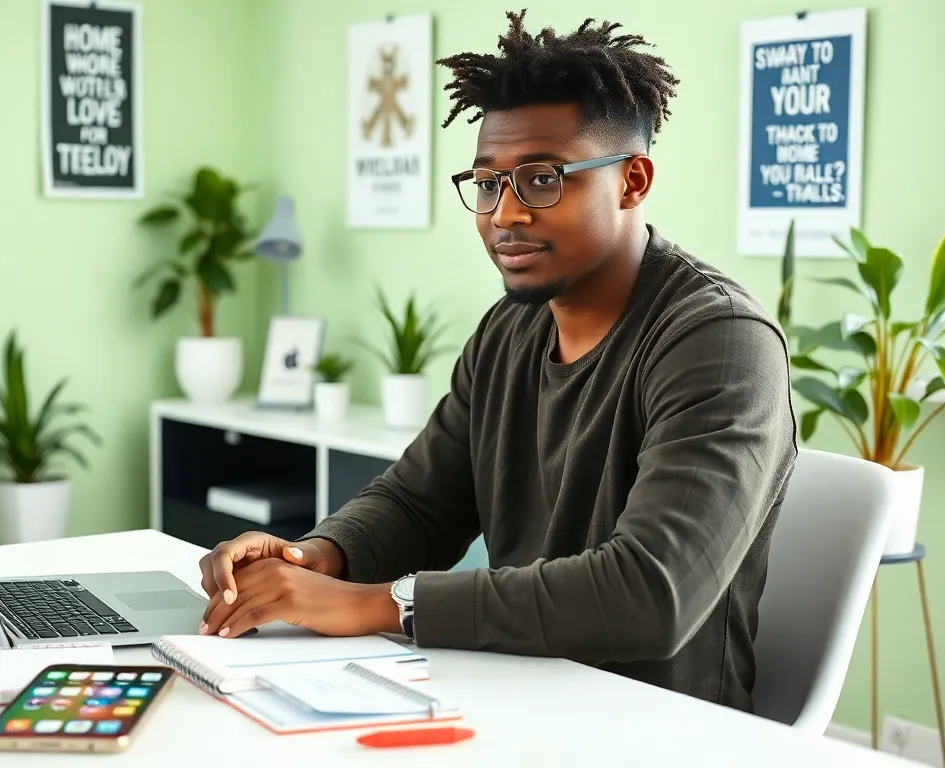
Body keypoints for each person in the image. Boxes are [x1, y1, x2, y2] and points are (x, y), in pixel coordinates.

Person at [194, 9, 797, 713]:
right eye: (487, 184)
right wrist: (313, 558)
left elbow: (652, 592)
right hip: (511, 693)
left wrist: (377, 604)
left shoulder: (719, 341)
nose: (505, 214)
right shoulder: (510, 328)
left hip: (653, 727)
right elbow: (420, 503)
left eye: (542, 180)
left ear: (632, 181)